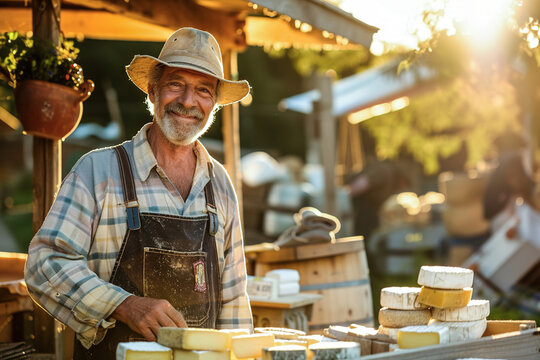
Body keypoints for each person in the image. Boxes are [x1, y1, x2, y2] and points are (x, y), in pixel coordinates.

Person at [24, 27, 252, 359]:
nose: (188, 101)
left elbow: (234, 301)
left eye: (203, 90)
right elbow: (44, 264)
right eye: (176, 84)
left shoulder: (220, 184)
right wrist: (123, 304)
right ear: (152, 91)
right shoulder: (99, 172)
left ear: (214, 103)